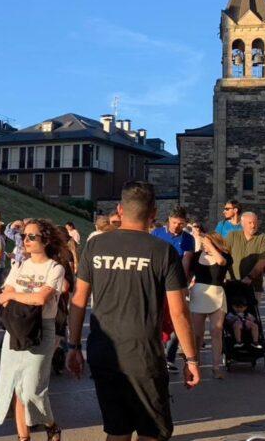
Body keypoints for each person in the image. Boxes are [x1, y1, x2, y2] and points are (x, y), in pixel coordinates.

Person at [67, 181, 199, 441]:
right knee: (152, 432)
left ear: (119, 209)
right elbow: (179, 312)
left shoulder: (95, 246)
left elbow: (79, 299)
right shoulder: (164, 252)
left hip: (103, 351)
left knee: (117, 430)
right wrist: (191, 359)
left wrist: (73, 347)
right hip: (143, 355)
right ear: (153, 215)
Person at [0, 219, 66, 441]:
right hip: (16, 327)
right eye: (24, 236)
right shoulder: (20, 265)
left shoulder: (55, 268)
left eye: (31, 236)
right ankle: (23, 437)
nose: (25, 240)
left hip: (42, 329)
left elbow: (40, 298)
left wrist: (15, 295)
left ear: (45, 240)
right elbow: (2, 296)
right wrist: (20, 297)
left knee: (33, 390)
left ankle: (51, 424)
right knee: (16, 388)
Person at [151, 206, 195, 373]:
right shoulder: (156, 234)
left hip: (174, 283)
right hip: (157, 282)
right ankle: (157, 354)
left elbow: (186, 261)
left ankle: (169, 357)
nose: (177, 226)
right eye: (175, 222)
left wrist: (182, 285)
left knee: (178, 318)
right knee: (157, 318)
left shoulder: (187, 239)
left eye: (181, 224)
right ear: (169, 220)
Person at [190, 226, 230, 379]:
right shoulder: (196, 256)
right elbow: (189, 273)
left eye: (209, 243)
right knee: (198, 334)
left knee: (216, 330)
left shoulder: (224, 256)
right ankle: (196, 363)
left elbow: (220, 261)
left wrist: (210, 245)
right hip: (199, 295)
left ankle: (216, 366)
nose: (205, 246)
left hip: (217, 294)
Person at [226, 212, 265, 300]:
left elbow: (262, 261)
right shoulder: (233, 236)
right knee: (229, 313)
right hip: (232, 284)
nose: (253, 225)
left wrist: (249, 277)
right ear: (242, 224)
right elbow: (224, 255)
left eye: (255, 223)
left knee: (251, 313)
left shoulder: (262, 238)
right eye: (250, 223)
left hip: (253, 286)